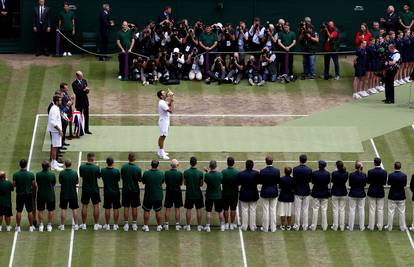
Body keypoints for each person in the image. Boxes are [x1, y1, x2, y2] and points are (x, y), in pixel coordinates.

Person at [79, 152, 101, 230]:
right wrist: (97, 167)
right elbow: (99, 176)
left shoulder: (81, 167)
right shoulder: (96, 168)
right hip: (94, 189)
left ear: (87, 158)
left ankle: (84, 224)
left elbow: (81, 176)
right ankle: (96, 224)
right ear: (93, 158)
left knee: (84, 206)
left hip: (85, 189)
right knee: (96, 206)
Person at [13, 159, 36, 232]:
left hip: (19, 195)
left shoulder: (16, 174)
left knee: (19, 211)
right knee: (30, 211)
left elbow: (13, 185)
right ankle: (31, 226)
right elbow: (34, 185)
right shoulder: (31, 174)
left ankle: (18, 227)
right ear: (26, 165)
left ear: (20, 165)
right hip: (28, 195)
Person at [121, 152, 142, 231]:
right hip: (135, 191)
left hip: (126, 191)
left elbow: (122, 177)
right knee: (134, 208)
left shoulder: (123, 167)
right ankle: (134, 224)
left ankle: (126, 224)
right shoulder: (138, 169)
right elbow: (140, 179)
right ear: (134, 159)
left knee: (126, 207)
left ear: (128, 158)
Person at [142, 160, 165, 232]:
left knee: (146, 210)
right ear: (157, 165)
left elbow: (143, 182)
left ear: (151, 165)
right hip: (158, 196)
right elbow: (162, 182)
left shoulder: (146, 173)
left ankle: (146, 226)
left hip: (148, 195)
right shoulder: (161, 173)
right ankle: (159, 226)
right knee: (158, 211)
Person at [259, 156, 280, 233]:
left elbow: (260, 182)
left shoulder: (262, 171)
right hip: (273, 192)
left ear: (266, 161)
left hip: (265, 192)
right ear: (272, 161)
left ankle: (265, 228)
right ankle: (273, 228)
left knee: (265, 211)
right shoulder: (277, 171)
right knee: (273, 210)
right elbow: (278, 181)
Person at [183, 156, 204, 231]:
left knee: (188, 209)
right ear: (196, 163)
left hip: (189, 195)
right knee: (199, 210)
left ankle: (188, 226)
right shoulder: (200, 173)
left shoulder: (186, 172)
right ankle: (199, 226)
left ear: (190, 163)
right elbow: (201, 184)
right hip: (198, 194)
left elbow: (185, 183)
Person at [385, 161, 407, 231]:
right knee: (402, 212)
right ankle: (402, 227)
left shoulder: (391, 175)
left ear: (394, 167)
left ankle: (389, 227)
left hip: (392, 196)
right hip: (401, 196)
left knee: (390, 212)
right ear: (400, 167)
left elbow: (388, 183)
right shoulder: (404, 176)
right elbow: (404, 184)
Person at [237, 160, 259, 231]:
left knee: (244, 211)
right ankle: (252, 227)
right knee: (252, 210)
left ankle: (244, 226)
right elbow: (258, 182)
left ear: (246, 165)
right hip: (253, 195)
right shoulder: (256, 173)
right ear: (252, 166)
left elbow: (238, 183)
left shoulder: (241, 174)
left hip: (244, 195)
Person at [204, 160, 225, 232]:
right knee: (220, 211)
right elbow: (220, 181)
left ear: (210, 166)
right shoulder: (220, 174)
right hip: (218, 196)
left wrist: (207, 172)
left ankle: (208, 226)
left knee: (208, 211)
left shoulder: (207, 175)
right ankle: (222, 226)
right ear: (216, 166)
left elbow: (207, 180)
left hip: (209, 196)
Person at [292, 154, 312, 231]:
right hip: (306, 191)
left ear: (299, 160)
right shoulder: (309, 170)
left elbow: (294, 180)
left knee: (297, 210)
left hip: (298, 191)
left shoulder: (295, 169)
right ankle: (305, 226)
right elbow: (309, 180)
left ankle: (297, 226)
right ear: (306, 160)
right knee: (305, 209)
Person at [367, 157, 387, 231]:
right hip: (380, 192)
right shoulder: (384, 172)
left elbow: (368, 182)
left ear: (374, 163)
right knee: (380, 209)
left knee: (372, 209)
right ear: (380, 163)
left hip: (372, 192)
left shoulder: (370, 171)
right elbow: (384, 183)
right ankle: (380, 226)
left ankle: (371, 226)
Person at [101, 156, 121, 231]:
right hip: (115, 193)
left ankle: (107, 224)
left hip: (107, 193)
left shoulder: (103, 171)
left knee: (107, 208)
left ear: (107, 163)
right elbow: (118, 180)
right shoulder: (116, 171)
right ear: (113, 163)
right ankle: (115, 225)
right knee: (116, 208)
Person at [58, 159, 79, 231]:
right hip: (73, 194)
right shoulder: (74, 173)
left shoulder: (62, 173)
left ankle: (62, 225)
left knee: (63, 209)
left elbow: (60, 181)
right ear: (71, 164)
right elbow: (77, 182)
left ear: (65, 165)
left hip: (64, 194)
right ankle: (76, 225)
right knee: (74, 209)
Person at [35, 160, 56, 232]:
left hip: (41, 195)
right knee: (51, 210)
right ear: (48, 167)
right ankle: (49, 225)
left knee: (40, 210)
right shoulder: (52, 175)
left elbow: (37, 182)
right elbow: (53, 183)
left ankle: (41, 225)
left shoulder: (38, 174)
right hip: (50, 195)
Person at [310, 160, 330, 231]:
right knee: (324, 210)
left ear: (319, 166)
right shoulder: (327, 174)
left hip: (316, 193)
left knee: (315, 210)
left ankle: (313, 227)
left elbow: (312, 182)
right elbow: (327, 182)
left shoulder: (315, 173)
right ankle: (324, 226)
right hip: (324, 194)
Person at [163, 159, 183, 231]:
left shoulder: (167, 173)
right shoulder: (180, 174)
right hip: (177, 193)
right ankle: (177, 225)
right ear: (177, 165)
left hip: (169, 192)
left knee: (168, 208)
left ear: (171, 165)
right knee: (177, 209)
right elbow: (181, 183)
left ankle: (166, 225)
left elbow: (166, 182)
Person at [348, 161, 367, 231]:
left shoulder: (351, 175)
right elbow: (364, 185)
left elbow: (350, 184)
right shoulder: (364, 175)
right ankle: (362, 227)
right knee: (361, 210)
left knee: (352, 210)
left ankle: (351, 227)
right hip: (361, 194)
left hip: (353, 194)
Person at [221, 157, 239, 230]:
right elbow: (238, 183)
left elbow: (221, 182)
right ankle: (232, 224)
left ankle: (226, 223)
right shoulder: (237, 172)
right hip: (234, 194)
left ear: (227, 163)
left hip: (225, 193)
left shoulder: (223, 172)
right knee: (233, 209)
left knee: (225, 209)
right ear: (233, 163)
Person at [330, 160, 348, 231]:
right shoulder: (346, 173)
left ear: (337, 166)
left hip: (335, 193)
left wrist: (335, 171)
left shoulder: (334, 173)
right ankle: (342, 226)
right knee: (342, 210)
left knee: (335, 210)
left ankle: (335, 226)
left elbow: (332, 180)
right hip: (343, 192)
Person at [48, 95, 64, 171]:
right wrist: (59, 130)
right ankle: (53, 166)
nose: (61, 102)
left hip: (55, 131)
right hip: (55, 132)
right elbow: (53, 123)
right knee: (54, 147)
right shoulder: (54, 110)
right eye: (60, 100)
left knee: (54, 146)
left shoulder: (56, 108)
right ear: (57, 101)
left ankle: (54, 162)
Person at [157, 89, 174, 160]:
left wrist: (171, 98)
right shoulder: (162, 103)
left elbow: (169, 105)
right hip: (163, 122)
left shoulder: (163, 102)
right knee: (162, 137)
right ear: (161, 96)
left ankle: (160, 151)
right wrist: (172, 100)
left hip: (165, 121)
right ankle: (162, 154)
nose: (165, 93)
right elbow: (171, 111)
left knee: (162, 136)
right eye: (164, 93)